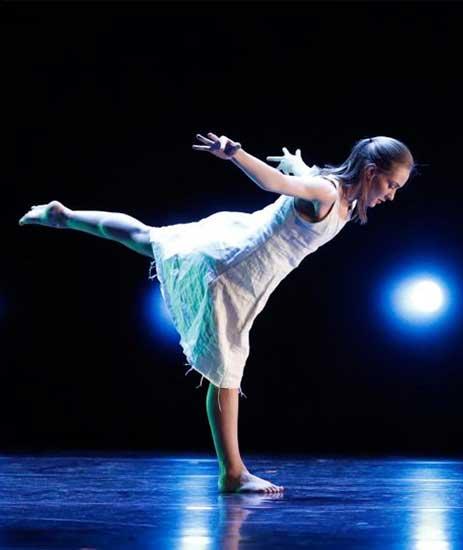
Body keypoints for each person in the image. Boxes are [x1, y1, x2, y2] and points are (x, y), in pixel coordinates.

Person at [18, 133, 415, 493]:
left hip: (235, 252)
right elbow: (276, 183)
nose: (391, 195)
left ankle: (63, 216)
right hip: (232, 271)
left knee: (147, 237)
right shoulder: (326, 192)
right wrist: (237, 154)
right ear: (369, 171)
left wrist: (294, 162)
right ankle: (233, 472)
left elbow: (296, 175)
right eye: (391, 184)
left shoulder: (331, 192)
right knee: (226, 371)